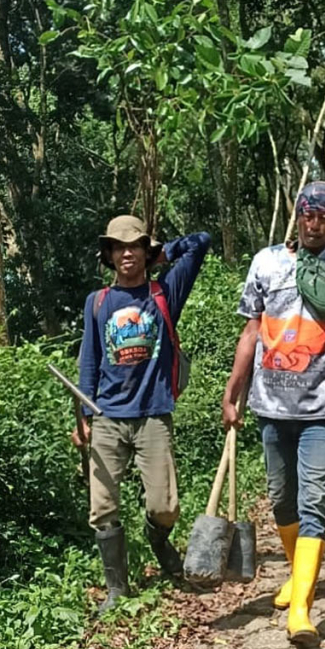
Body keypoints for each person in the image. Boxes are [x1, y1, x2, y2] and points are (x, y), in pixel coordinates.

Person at [221, 181, 325, 646]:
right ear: (297, 216)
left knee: (314, 502)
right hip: (271, 406)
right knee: (281, 498)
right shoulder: (267, 262)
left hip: (323, 407)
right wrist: (232, 392)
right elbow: (251, 334)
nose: (314, 225)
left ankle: (301, 610)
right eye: (308, 216)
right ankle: (299, 574)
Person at [75, 215, 211, 612]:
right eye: (119, 247)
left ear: (145, 252)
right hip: (108, 416)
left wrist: (162, 253)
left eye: (135, 246)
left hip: (153, 413)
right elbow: (89, 362)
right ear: (110, 255)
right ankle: (117, 588)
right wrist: (83, 418)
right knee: (102, 506)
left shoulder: (164, 292)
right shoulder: (98, 302)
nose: (127, 253)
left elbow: (200, 240)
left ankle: (159, 541)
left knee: (164, 505)